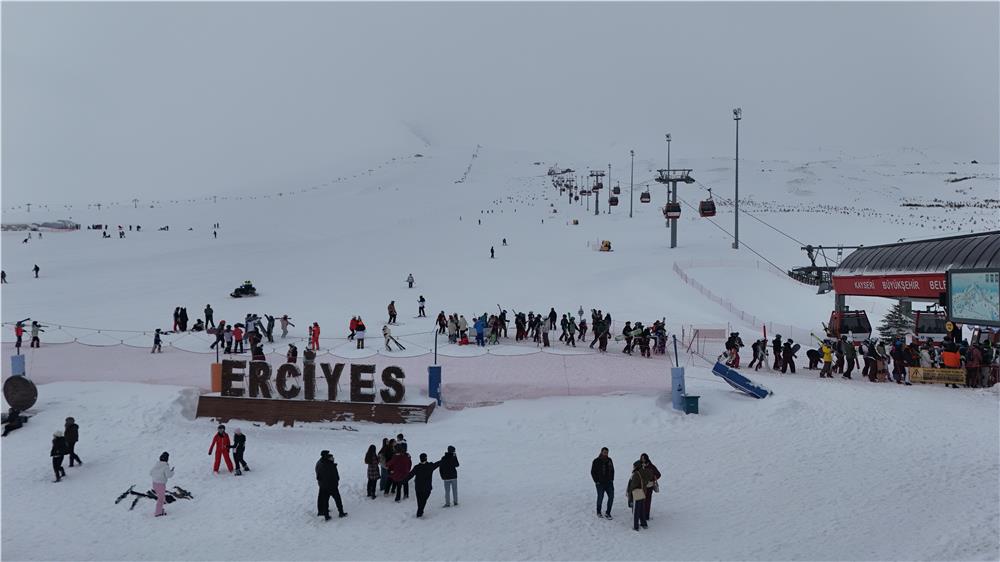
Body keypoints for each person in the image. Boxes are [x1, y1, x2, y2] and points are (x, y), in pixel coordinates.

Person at [315, 450, 347, 520]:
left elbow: (318, 475)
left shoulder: (319, 462)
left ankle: (326, 515)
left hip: (323, 486)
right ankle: (341, 512)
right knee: (337, 499)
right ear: (326, 457)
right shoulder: (329, 465)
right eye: (331, 457)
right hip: (331, 486)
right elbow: (333, 476)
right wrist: (336, 482)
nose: (333, 458)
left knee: (325, 500)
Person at [406, 453, 440, 518]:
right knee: (423, 501)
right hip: (427, 488)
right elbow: (437, 464)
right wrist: (444, 458)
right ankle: (419, 513)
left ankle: (420, 512)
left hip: (418, 488)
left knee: (419, 501)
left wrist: (402, 481)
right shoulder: (430, 466)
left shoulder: (417, 467)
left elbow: (410, 475)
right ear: (426, 458)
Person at [591, 447, 615, 519]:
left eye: (607, 452)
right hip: (600, 483)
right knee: (600, 497)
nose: (606, 454)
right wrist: (596, 481)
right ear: (601, 452)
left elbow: (612, 470)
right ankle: (598, 512)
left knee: (611, 497)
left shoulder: (609, 460)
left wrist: (611, 479)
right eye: (604, 452)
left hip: (609, 483)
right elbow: (593, 472)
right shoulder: (596, 461)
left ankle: (608, 513)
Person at [637, 453, 661, 521]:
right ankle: (640, 515)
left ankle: (646, 516)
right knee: (641, 501)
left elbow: (658, 474)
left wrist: (652, 479)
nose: (642, 459)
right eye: (641, 458)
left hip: (649, 486)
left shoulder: (651, 466)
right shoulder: (639, 465)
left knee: (647, 501)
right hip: (641, 486)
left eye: (643, 458)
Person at [626, 461, 648, 531]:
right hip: (643, 492)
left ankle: (636, 526)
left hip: (636, 494)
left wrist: (629, 494)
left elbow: (633, 486)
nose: (633, 467)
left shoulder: (636, 474)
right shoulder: (644, 472)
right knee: (642, 510)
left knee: (636, 511)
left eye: (634, 466)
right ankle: (644, 524)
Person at [150, 452, 174, 517]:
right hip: (161, 485)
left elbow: (151, 472)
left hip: (154, 484)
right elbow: (169, 475)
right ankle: (158, 513)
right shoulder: (166, 466)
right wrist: (172, 471)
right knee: (160, 499)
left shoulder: (157, 464)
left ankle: (160, 509)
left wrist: (157, 476)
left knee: (161, 497)